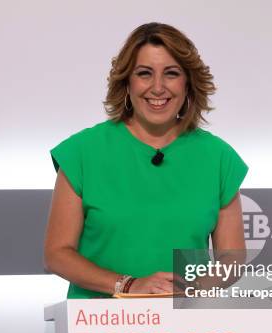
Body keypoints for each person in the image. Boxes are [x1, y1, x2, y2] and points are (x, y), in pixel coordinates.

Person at [44, 22, 248, 298]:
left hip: (190, 326)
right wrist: (128, 286)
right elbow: (57, 254)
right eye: (144, 73)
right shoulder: (82, 152)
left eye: (172, 74)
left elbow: (231, 261)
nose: (158, 87)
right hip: (97, 331)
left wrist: (190, 290)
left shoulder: (219, 158)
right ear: (127, 82)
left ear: (188, 84)